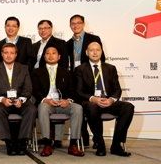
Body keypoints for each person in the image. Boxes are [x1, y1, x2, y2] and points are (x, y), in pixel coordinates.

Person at [76, 42, 134, 157]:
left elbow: (117, 89)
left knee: (128, 107)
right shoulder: (80, 69)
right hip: (91, 102)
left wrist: (111, 100)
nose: (95, 52)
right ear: (87, 53)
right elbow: (79, 91)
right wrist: (93, 99)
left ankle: (116, 145)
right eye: (91, 50)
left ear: (101, 52)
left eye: (97, 50)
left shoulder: (111, 68)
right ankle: (100, 143)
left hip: (108, 101)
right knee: (92, 107)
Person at [31, 46, 84, 157]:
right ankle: (47, 143)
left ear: (59, 56)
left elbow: (73, 91)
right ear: (44, 56)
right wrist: (45, 99)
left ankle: (73, 144)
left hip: (62, 103)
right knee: (43, 107)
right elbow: (35, 91)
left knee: (78, 108)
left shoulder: (67, 72)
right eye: (47, 53)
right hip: (47, 103)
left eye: (53, 53)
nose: (50, 55)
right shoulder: (36, 72)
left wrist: (67, 100)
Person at [0, 43, 36, 156]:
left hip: (20, 100)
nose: (8, 55)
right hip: (2, 101)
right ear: (2, 54)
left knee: (32, 109)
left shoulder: (23, 68)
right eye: (6, 53)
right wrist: (2, 99)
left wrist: (21, 99)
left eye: (11, 53)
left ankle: (21, 142)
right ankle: (9, 143)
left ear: (16, 54)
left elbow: (28, 88)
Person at [66, 14, 105, 147]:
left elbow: (101, 60)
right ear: (70, 25)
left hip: (90, 79)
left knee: (91, 109)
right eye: (73, 23)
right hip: (75, 79)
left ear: (83, 24)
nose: (76, 25)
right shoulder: (68, 43)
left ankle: (97, 138)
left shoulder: (93, 39)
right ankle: (84, 138)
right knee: (78, 108)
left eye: (78, 23)